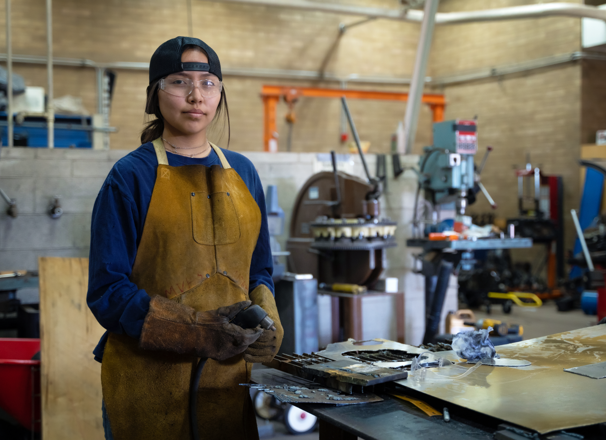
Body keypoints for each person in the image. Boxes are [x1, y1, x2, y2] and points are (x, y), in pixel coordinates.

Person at [87, 36, 283, 440]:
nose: (196, 95)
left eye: (208, 82)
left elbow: (259, 268)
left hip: (227, 379)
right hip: (147, 382)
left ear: (220, 93)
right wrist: (195, 329)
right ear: (155, 95)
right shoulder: (131, 176)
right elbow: (107, 291)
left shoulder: (243, 173)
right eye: (179, 82)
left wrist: (266, 307)